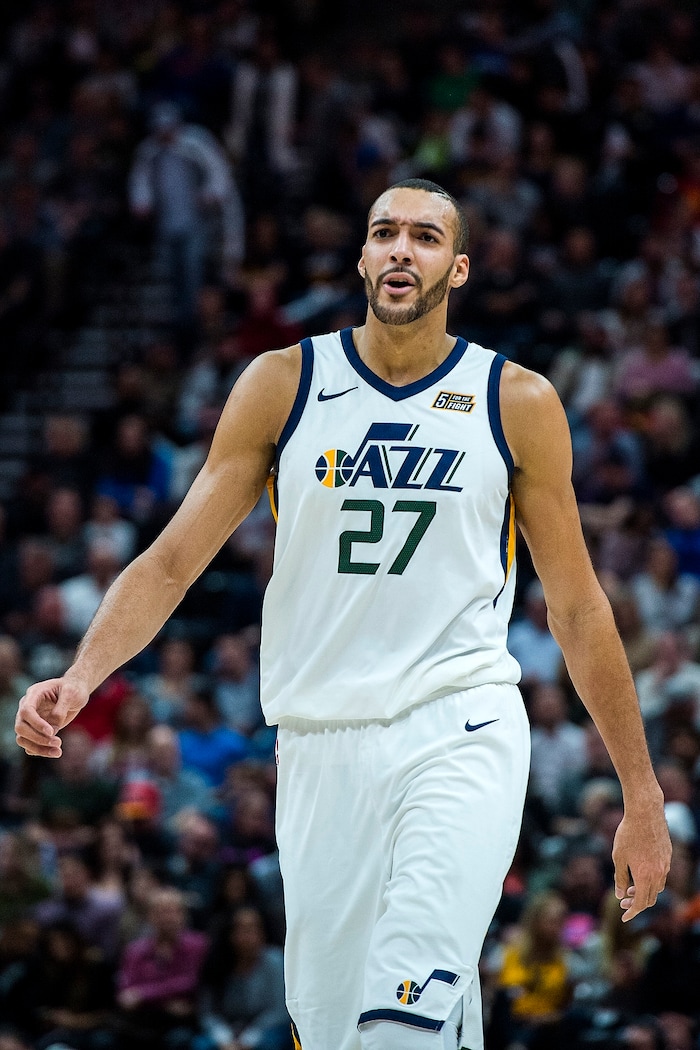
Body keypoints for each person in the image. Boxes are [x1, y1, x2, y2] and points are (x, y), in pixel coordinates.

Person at [15, 179, 671, 1050]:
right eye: (385, 233)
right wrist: (81, 675)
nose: (402, 249)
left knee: (402, 1020)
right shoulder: (284, 384)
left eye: (426, 237)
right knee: (341, 1033)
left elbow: (581, 609)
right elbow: (174, 560)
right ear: (362, 257)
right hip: (319, 744)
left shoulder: (515, 401)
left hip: (459, 726)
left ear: (460, 266)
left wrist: (642, 792)